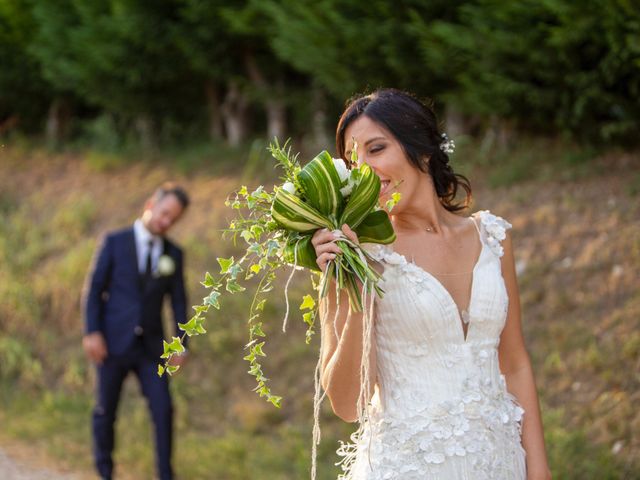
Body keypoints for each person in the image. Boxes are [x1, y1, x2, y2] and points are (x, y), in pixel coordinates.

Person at [312, 89, 551, 479]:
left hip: (500, 463)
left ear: (422, 149)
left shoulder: (493, 239)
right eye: (352, 160)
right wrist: (356, 285)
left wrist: (538, 470)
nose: (364, 169)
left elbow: (515, 364)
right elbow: (346, 404)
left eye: (376, 149)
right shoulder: (354, 256)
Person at [82, 182, 190, 480]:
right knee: (105, 411)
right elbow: (94, 290)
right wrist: (92, 332)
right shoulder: (114, 242)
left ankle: (165, 475)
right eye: (165, 213)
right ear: (150, 205)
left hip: (151, 349)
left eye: (173, 219)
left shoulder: (174, 254)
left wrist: (182, 342)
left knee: (163, 410)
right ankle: (105, 472)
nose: (166, 221)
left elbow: (179, 302)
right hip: (111, 344)